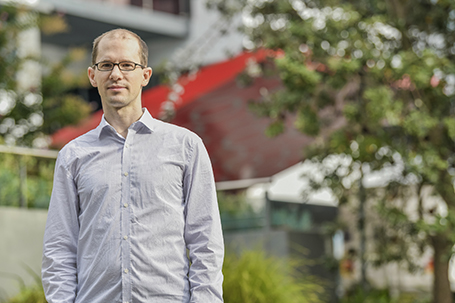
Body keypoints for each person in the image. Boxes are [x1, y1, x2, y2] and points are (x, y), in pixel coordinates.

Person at [41, 28, 224, 303]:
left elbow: (205, 241)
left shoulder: (186, 147)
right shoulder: (72, 156)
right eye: (106, 65)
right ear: (93, 75)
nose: (116, 74)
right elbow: (59, 248)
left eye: (127, 65)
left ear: (145, 76)